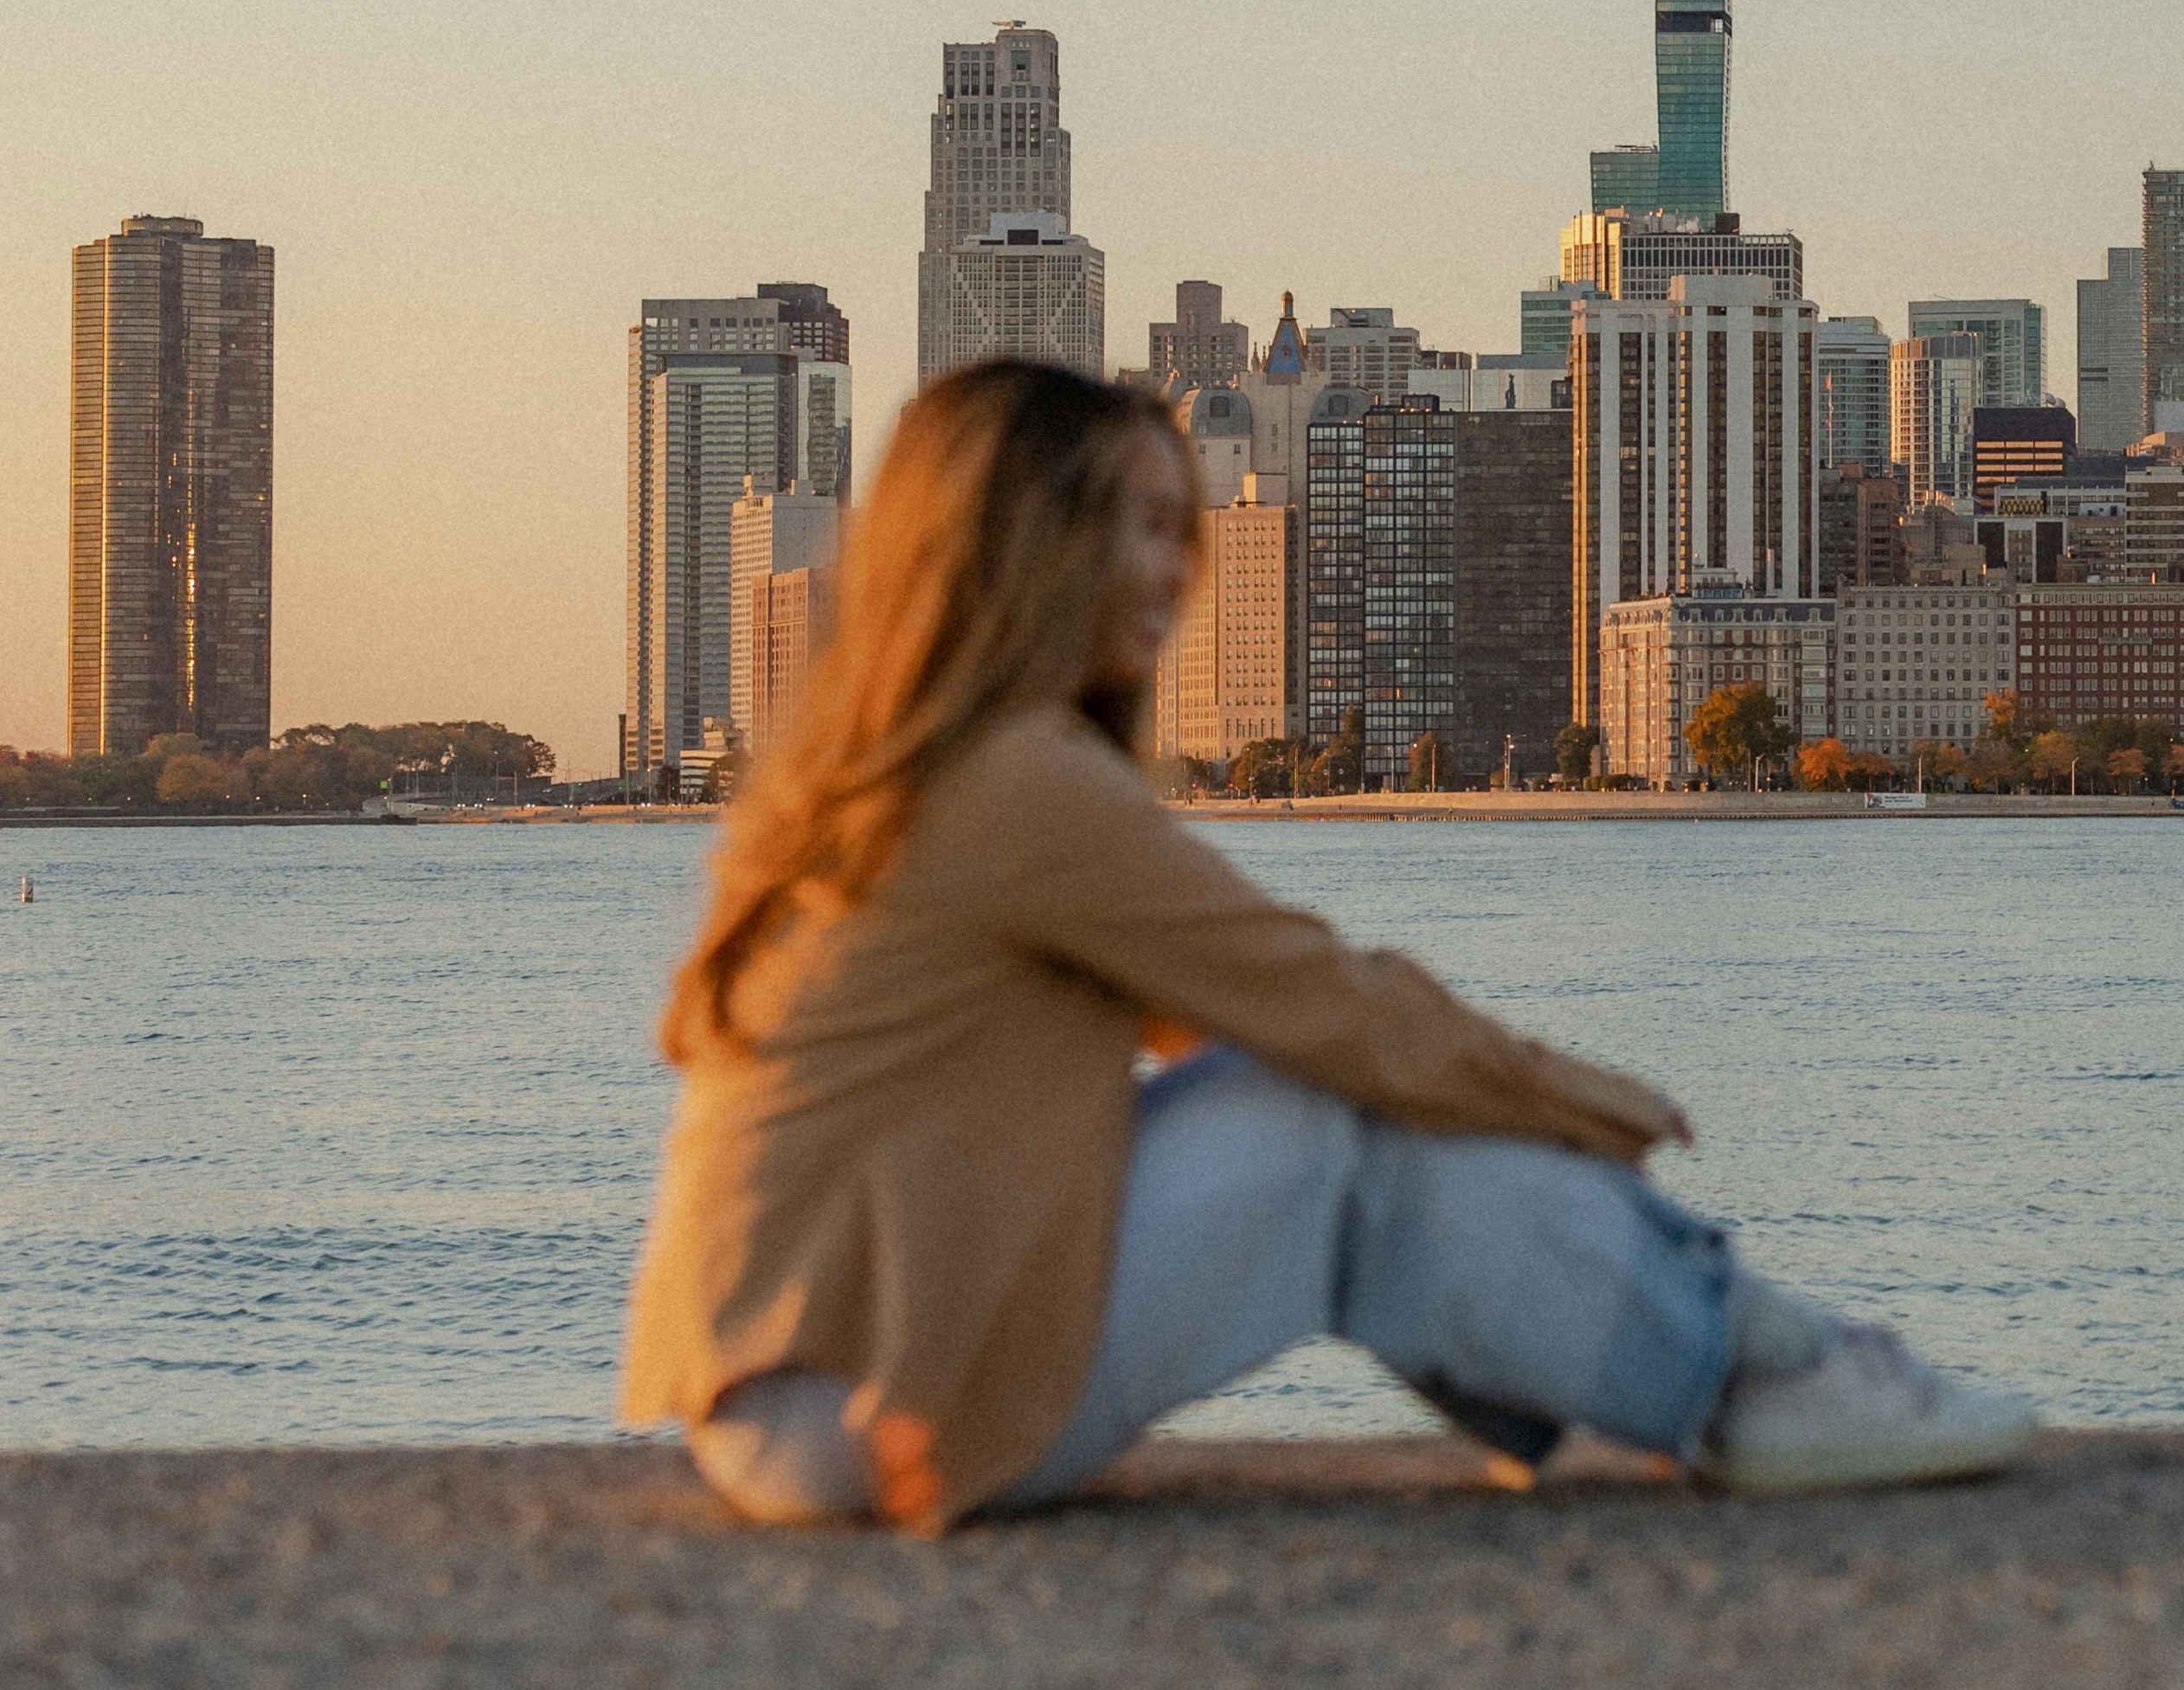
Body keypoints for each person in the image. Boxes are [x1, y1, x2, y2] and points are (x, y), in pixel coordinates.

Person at [620, 359, 2035, 1532]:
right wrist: (1577, 1099)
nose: (1178, 568)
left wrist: (1479, 1098)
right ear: (1022, 542)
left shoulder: (894, 771)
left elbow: (1256, 1019)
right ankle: (1754, 1372)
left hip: (779, 1396)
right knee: (1328, 1123)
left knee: (1342, 1107)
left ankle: (1748, 1363)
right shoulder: (1012, 787)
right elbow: (1325, 1009)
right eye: (1138, 525)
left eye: (1188, 526)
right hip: (849, 1408)